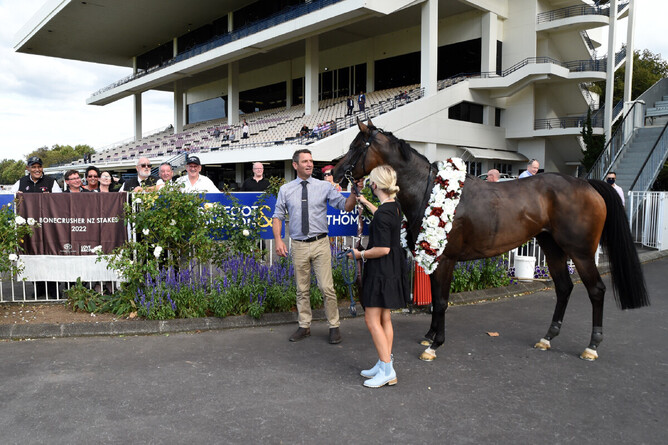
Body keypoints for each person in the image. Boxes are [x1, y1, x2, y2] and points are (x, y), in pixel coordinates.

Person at [272, 149, 359, 344]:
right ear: (295, 165)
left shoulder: (324, 187)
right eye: (305, 161)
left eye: (311, 161)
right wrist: (278, 240)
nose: (309, 164)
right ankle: (304, 326)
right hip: (299, 245)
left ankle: (334, 326)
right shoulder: (285, 190)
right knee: (301, 289)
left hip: (320, 243)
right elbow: (277, 216)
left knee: (326, 287)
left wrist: (354, 194)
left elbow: (345, 206)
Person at [348, 165, 407, 388]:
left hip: (380, 269)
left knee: (371, 319)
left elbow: (382, 249)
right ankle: (384, 364)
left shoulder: (383, 214)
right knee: (385, 319)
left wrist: (359, 254)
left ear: (374, 184)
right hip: (392, 269)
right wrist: (365, 203)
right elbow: (381, 213)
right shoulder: (393, 207)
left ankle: (388, 369)